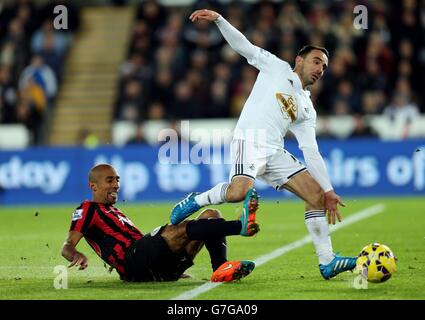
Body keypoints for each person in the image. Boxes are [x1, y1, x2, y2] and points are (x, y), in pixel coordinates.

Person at [170, 9, 356, 280]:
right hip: (250, 139)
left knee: (315, 196)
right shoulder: (276, 67)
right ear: (299, 60)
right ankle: (194, 201)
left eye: (324, 67)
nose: (320, 69)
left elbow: (310, 150)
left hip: (274, 150)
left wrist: (328, 189)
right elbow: (243, 47)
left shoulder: (307, 108)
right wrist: (220, 20)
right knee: (237, 192)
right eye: (316, 62)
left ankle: (327, 261)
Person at [61, 164, 260, 282]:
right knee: (178, 229)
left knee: (211, 214)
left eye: (117, 180)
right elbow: (67, 247)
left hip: (152, 265)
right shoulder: (87, 209)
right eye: (110, 180)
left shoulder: (113, 210)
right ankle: (240, 226)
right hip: (133, 264)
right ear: (93, 186)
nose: (116, 185)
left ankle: (220, 268)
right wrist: (76, 254)